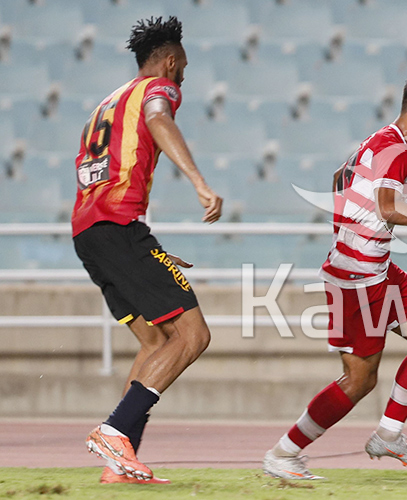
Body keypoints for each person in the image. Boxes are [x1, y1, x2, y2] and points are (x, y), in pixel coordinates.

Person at [262, 70, 407, 480]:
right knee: (359, 381)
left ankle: (389, 433)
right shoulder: (397, 152)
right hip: (357, 279)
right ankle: (284, 453)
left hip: (377, 269)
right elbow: (390, 209)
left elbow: (339, 178)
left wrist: (350, 228)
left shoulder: (377, 140)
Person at [73, 16, 223, 484]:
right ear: (171, 61)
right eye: (183, 68)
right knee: (194, 336)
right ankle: (115, 430)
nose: (183, 78)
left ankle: (119, 464)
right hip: (119, 228)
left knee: (156, 342)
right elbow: (158, 119)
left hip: (90, 232)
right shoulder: (159, 89)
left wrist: (147, 250)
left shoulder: (106, 103)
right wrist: (200, 183)